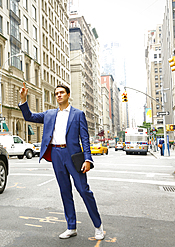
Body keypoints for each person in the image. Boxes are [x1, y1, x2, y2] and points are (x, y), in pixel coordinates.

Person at [18, 83, 104, 240]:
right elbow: (29, 116)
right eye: (56, 93)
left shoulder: (78, 114)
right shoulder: (50, 114)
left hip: (73, 156)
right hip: (56, 154)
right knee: (65, 192)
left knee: (83, 190)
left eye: (62, 92)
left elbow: (84, 138)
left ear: (68, 95)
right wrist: (24, 99)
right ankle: (71, 227)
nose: (58, 95)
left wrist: (88, 159)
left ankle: (98, 226)